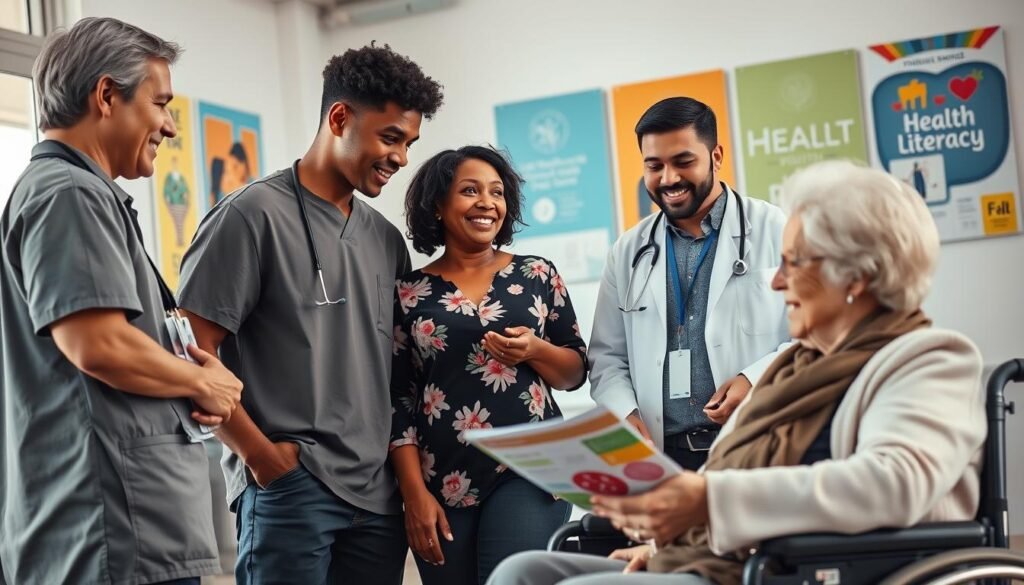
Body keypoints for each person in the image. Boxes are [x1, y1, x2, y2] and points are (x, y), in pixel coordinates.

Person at [487, 160, 986, 585]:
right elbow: (734, 471)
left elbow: (893, 485)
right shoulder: (797, 366)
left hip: (801, 567)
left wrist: (707, 499)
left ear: (856, 275)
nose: (776, 278)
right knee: (524, 572)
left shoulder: (930, 359)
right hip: (731, 554)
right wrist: (666, 540)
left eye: (794, 262)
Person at [177, 43, 443, 585]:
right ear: (339, 117)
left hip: (376, 498)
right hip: (292, 489)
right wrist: (260, 458)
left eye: (409, 144)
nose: (401, 158)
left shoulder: (386, 241)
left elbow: (396, 374)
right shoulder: (251, 216)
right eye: (390, 137)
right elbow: (188, 353)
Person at [0, 17, 243, 585]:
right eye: (161, 104)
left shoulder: (74, 194)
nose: (170, 127)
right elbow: (98, 343)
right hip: (113, 529)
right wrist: (202, 382)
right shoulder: (69, 195)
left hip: (122, 528)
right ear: (107, 95)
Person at [389, 146, 589, 585]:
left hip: (533, 465)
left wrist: (535, 350)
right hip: (442, 477)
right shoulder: (406, 293)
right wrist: (413, 494)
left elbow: (574, 372)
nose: (487, 202)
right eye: (469, 191)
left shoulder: (538, 274)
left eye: (496, 192)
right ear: (437, 205)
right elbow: (397, 401)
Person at [589, 97, 790, 470]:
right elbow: (607, 359)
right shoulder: (627, 251)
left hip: (755, 444)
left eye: (683, 162)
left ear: (716, 156)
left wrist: (754, 378)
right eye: (654, 166)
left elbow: (813, 337)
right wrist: (625, 413)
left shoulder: (775, 228)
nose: (668, 179)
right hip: (666, 456)